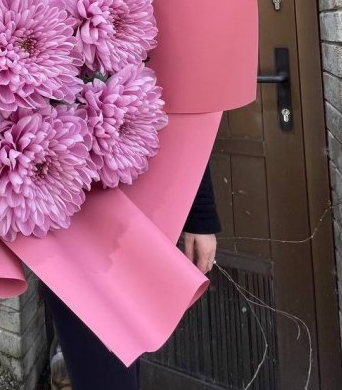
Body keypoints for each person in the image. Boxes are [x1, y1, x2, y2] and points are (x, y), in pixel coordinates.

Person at [44, 165, 221, 390]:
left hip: (130, 214)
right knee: (101, 365)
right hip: (63, 229)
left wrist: (201, 212)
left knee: (121, 357)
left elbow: (188, 140)